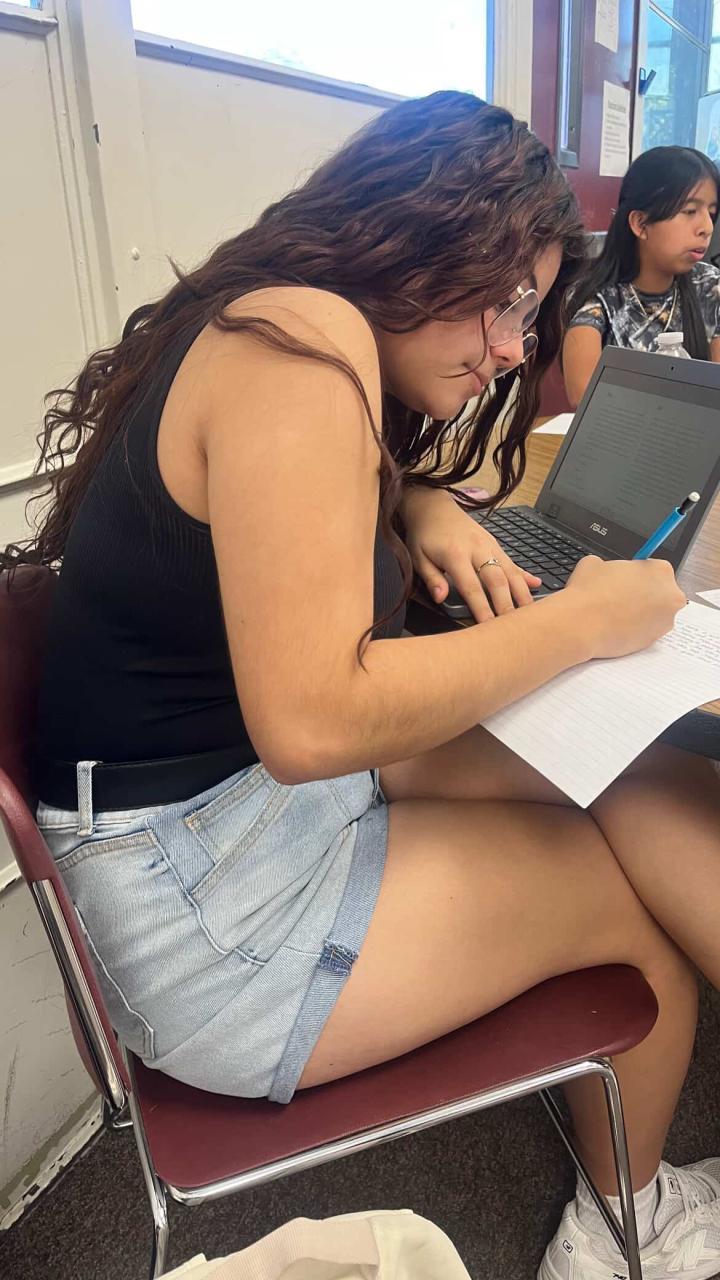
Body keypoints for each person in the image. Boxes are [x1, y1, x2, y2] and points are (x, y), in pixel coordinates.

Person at [5, 93, 720, 1280]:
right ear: (417, 238)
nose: (512, 348)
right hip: (215, 909)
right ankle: (620, 1230)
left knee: (623, 773)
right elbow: (313, 720)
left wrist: (418, 501)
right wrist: (583, 620)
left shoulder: (271, 322)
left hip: (214, 822)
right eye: (507, 302)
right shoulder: (304, 347)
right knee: (639, 920)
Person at [563, 146, 720, 407]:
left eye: (711, 213)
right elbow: (586, 401)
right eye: (690, 211)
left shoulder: (710, 286)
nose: (706, 227)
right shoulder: (596, 303)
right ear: (640, 224)